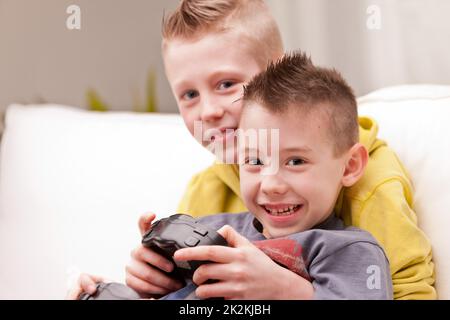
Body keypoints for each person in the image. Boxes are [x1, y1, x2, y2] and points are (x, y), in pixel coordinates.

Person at [68, 0, 435, 300]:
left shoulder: (369, 183)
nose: (208, 111)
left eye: (227, 84)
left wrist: (291, 290)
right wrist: (156, 279)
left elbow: (403, 293)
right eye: (189, 94)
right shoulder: (205, 190)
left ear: (275, 77)